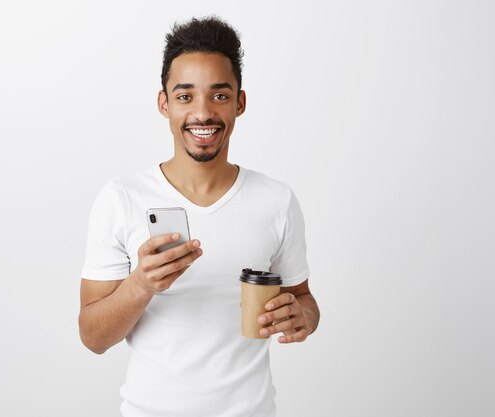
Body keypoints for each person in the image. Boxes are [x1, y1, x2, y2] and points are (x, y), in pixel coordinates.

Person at [78, 15, 320, 417]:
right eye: (186, 96)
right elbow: (93, 337)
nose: (203, 113)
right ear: (164, 104)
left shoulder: (276, 200)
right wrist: (141, 284)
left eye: (220, 95)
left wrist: (302, 318)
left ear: (240, 103)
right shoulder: (121, 199)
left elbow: (305, 300)